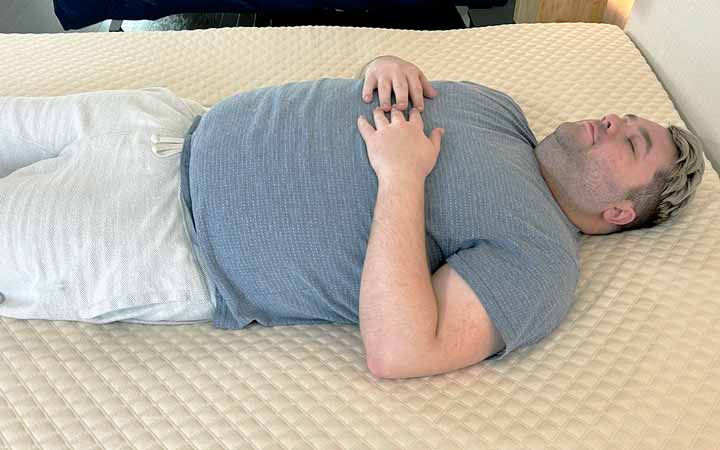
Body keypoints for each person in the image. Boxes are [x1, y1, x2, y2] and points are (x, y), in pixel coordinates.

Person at [0, 56, 705, 379]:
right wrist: (382, 64)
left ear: (617, 212)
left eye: (631, 141)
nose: (612, 120)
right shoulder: (501, 109)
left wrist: (401, 178)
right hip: (165, 124)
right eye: (626, 116)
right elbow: (381, 96)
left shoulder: (542, 263)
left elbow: (402, 351)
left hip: (160, 235)